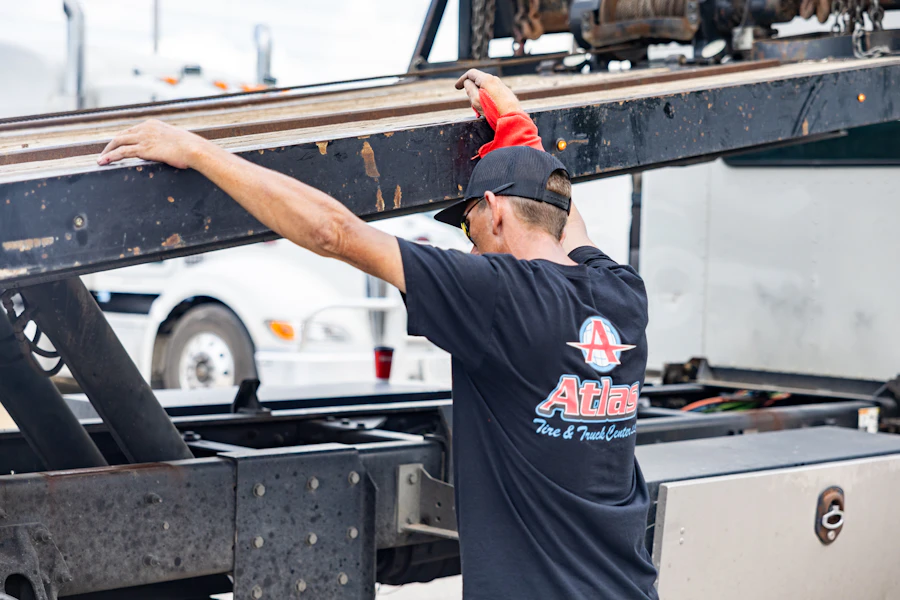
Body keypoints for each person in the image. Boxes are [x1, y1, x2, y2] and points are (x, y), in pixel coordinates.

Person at [98, 69, 659, 599]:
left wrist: (198, 151)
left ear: (493, 210)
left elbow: (333, 232)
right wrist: (517, 127)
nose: (469, 243)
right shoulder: (622, 293)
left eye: (467, 224)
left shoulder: (496, 294)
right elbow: (563, 215)